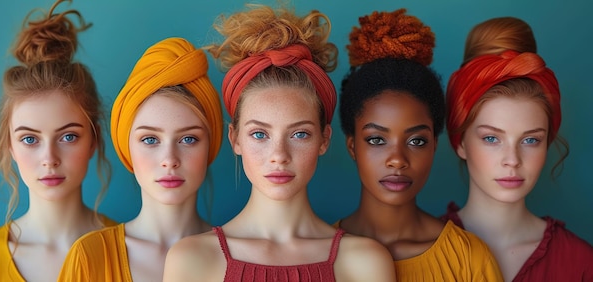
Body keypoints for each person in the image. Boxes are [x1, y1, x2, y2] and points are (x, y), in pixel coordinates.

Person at [162, 4, 396, 281]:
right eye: (260, 134)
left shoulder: (366, 262)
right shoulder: (191, 260)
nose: (279, 155)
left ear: (324, 140)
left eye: (299, 134)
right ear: (234, 139)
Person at [334, 9, 503, 281]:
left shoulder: (468, 258)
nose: (397, 159)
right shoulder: (317, 257)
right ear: (352, 146)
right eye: (377, 139)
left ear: (434, 144)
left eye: (416, 141)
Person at [0, 0, 116, 281]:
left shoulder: (127, 252)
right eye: (29, 139)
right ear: (9, 144)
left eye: (68, 136)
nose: (49, 158)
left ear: (94, 139)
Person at [57, 37, 224, 281]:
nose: (169, 160)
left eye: (188, 139)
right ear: (128, 148)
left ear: (211, 144)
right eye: (150, 140)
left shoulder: (240, 258)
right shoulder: (89, 257)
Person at [442, 16, 593, 282]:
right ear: (461, 142)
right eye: (491, 138)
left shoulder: (581, 262)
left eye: (530, 140)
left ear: (547, 141)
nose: (512, 160)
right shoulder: (418, 252)